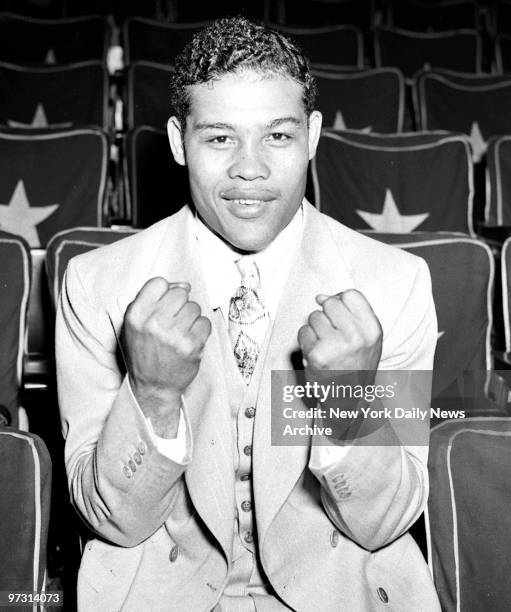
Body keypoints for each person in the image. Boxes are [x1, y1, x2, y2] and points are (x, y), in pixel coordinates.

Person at [56, 16, 441, 612]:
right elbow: (115, 521)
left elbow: (381, 523)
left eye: (278, 137)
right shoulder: (97, 283)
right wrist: (153, 395)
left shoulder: (393, 284)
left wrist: (347, 408)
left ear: (312, 136)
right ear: (179, 141)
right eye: (219, 138)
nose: (250, 168)